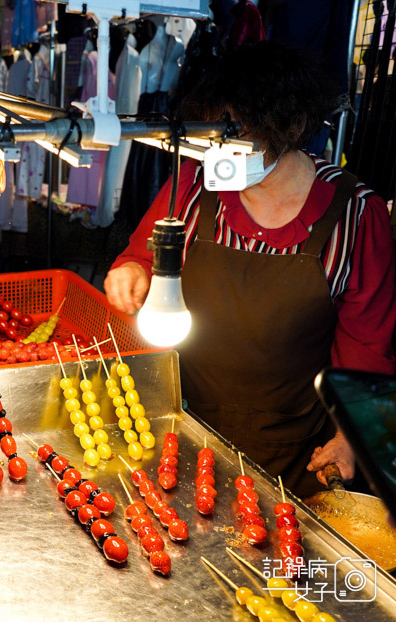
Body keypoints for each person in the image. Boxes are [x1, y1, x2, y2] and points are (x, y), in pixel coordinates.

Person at [104, 41, 396, 500]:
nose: (219, 152)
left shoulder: (357, 217)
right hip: (184, 426)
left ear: (292, 126)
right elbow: (142, 256)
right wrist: (131, 272)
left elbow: (368, 345)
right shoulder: (193, 188)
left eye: (237, 134)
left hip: (295, 449)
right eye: (213, 135)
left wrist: (351, 436)